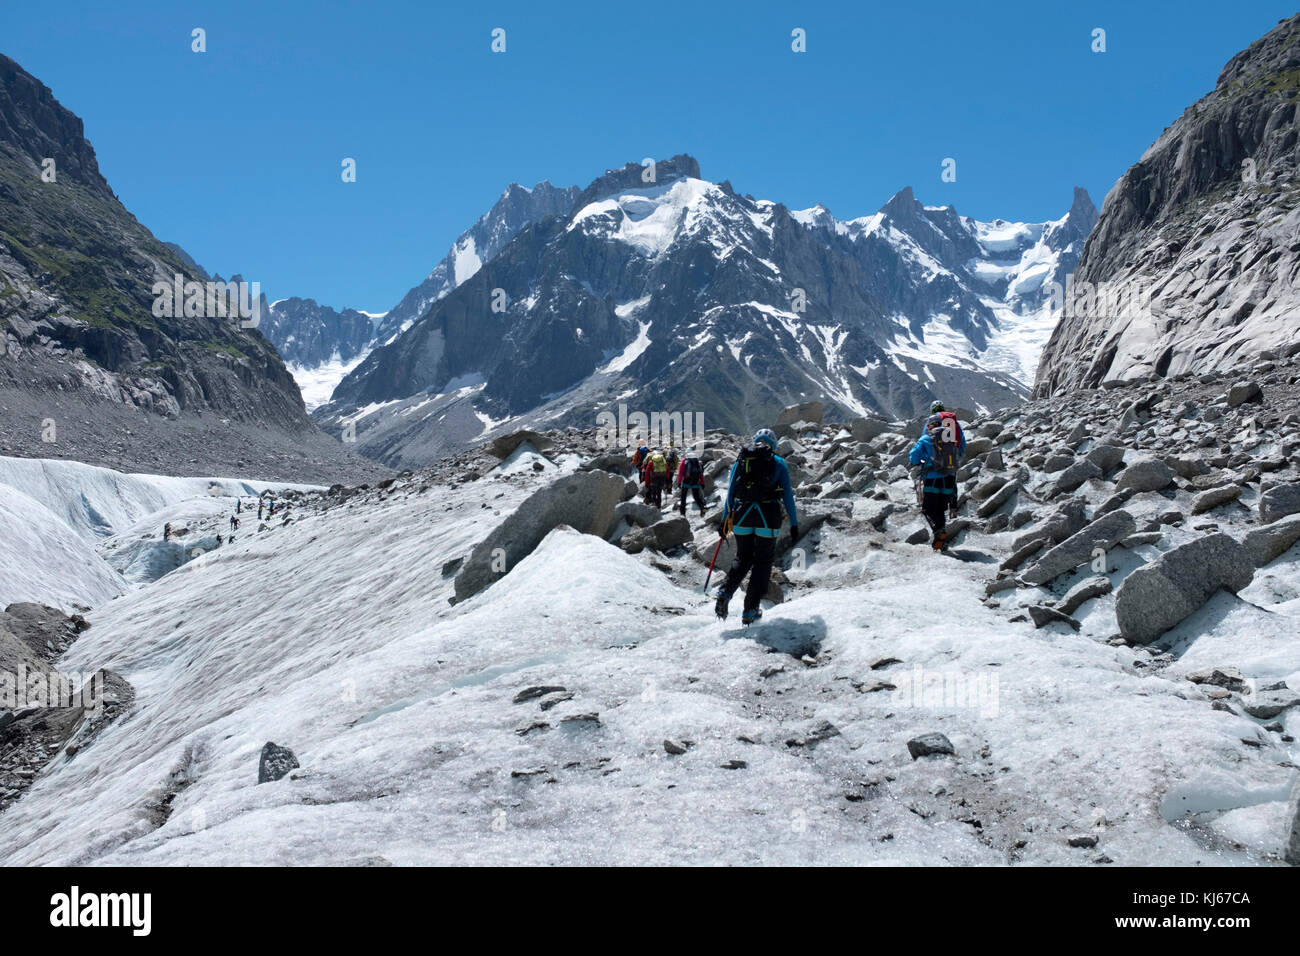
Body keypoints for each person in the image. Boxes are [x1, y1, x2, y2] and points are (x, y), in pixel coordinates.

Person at [715, 428, 799, 625]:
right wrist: (794, 523)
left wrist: (725, 520)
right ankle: (750, 610)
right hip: (767, 518)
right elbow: (788, 496)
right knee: (762, 562)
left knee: (742, 557)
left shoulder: (741, 459)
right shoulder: (778, 462)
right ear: (775, 445)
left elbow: (730, 494)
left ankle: (725, 592)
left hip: (742, 515)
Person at [909, 408, 966, 550]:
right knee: (940, 510)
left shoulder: (926, 438)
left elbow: (914, 457)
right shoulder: (950, 437)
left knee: (928, 510)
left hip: (932, 478)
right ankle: (941, 541)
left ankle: (938, 532)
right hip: (948, 479)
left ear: (930, 426)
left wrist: (920, 461)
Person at [677, 450, 707, 518]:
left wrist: (679, 482)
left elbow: (680, 473)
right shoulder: (697, 462)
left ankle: (682, 513)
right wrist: (702, 482)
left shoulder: (684, 461)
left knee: (683, 497)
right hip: (695, 480)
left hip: (686, 481)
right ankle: (702, 507)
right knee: (696, 496)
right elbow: (701, 474)